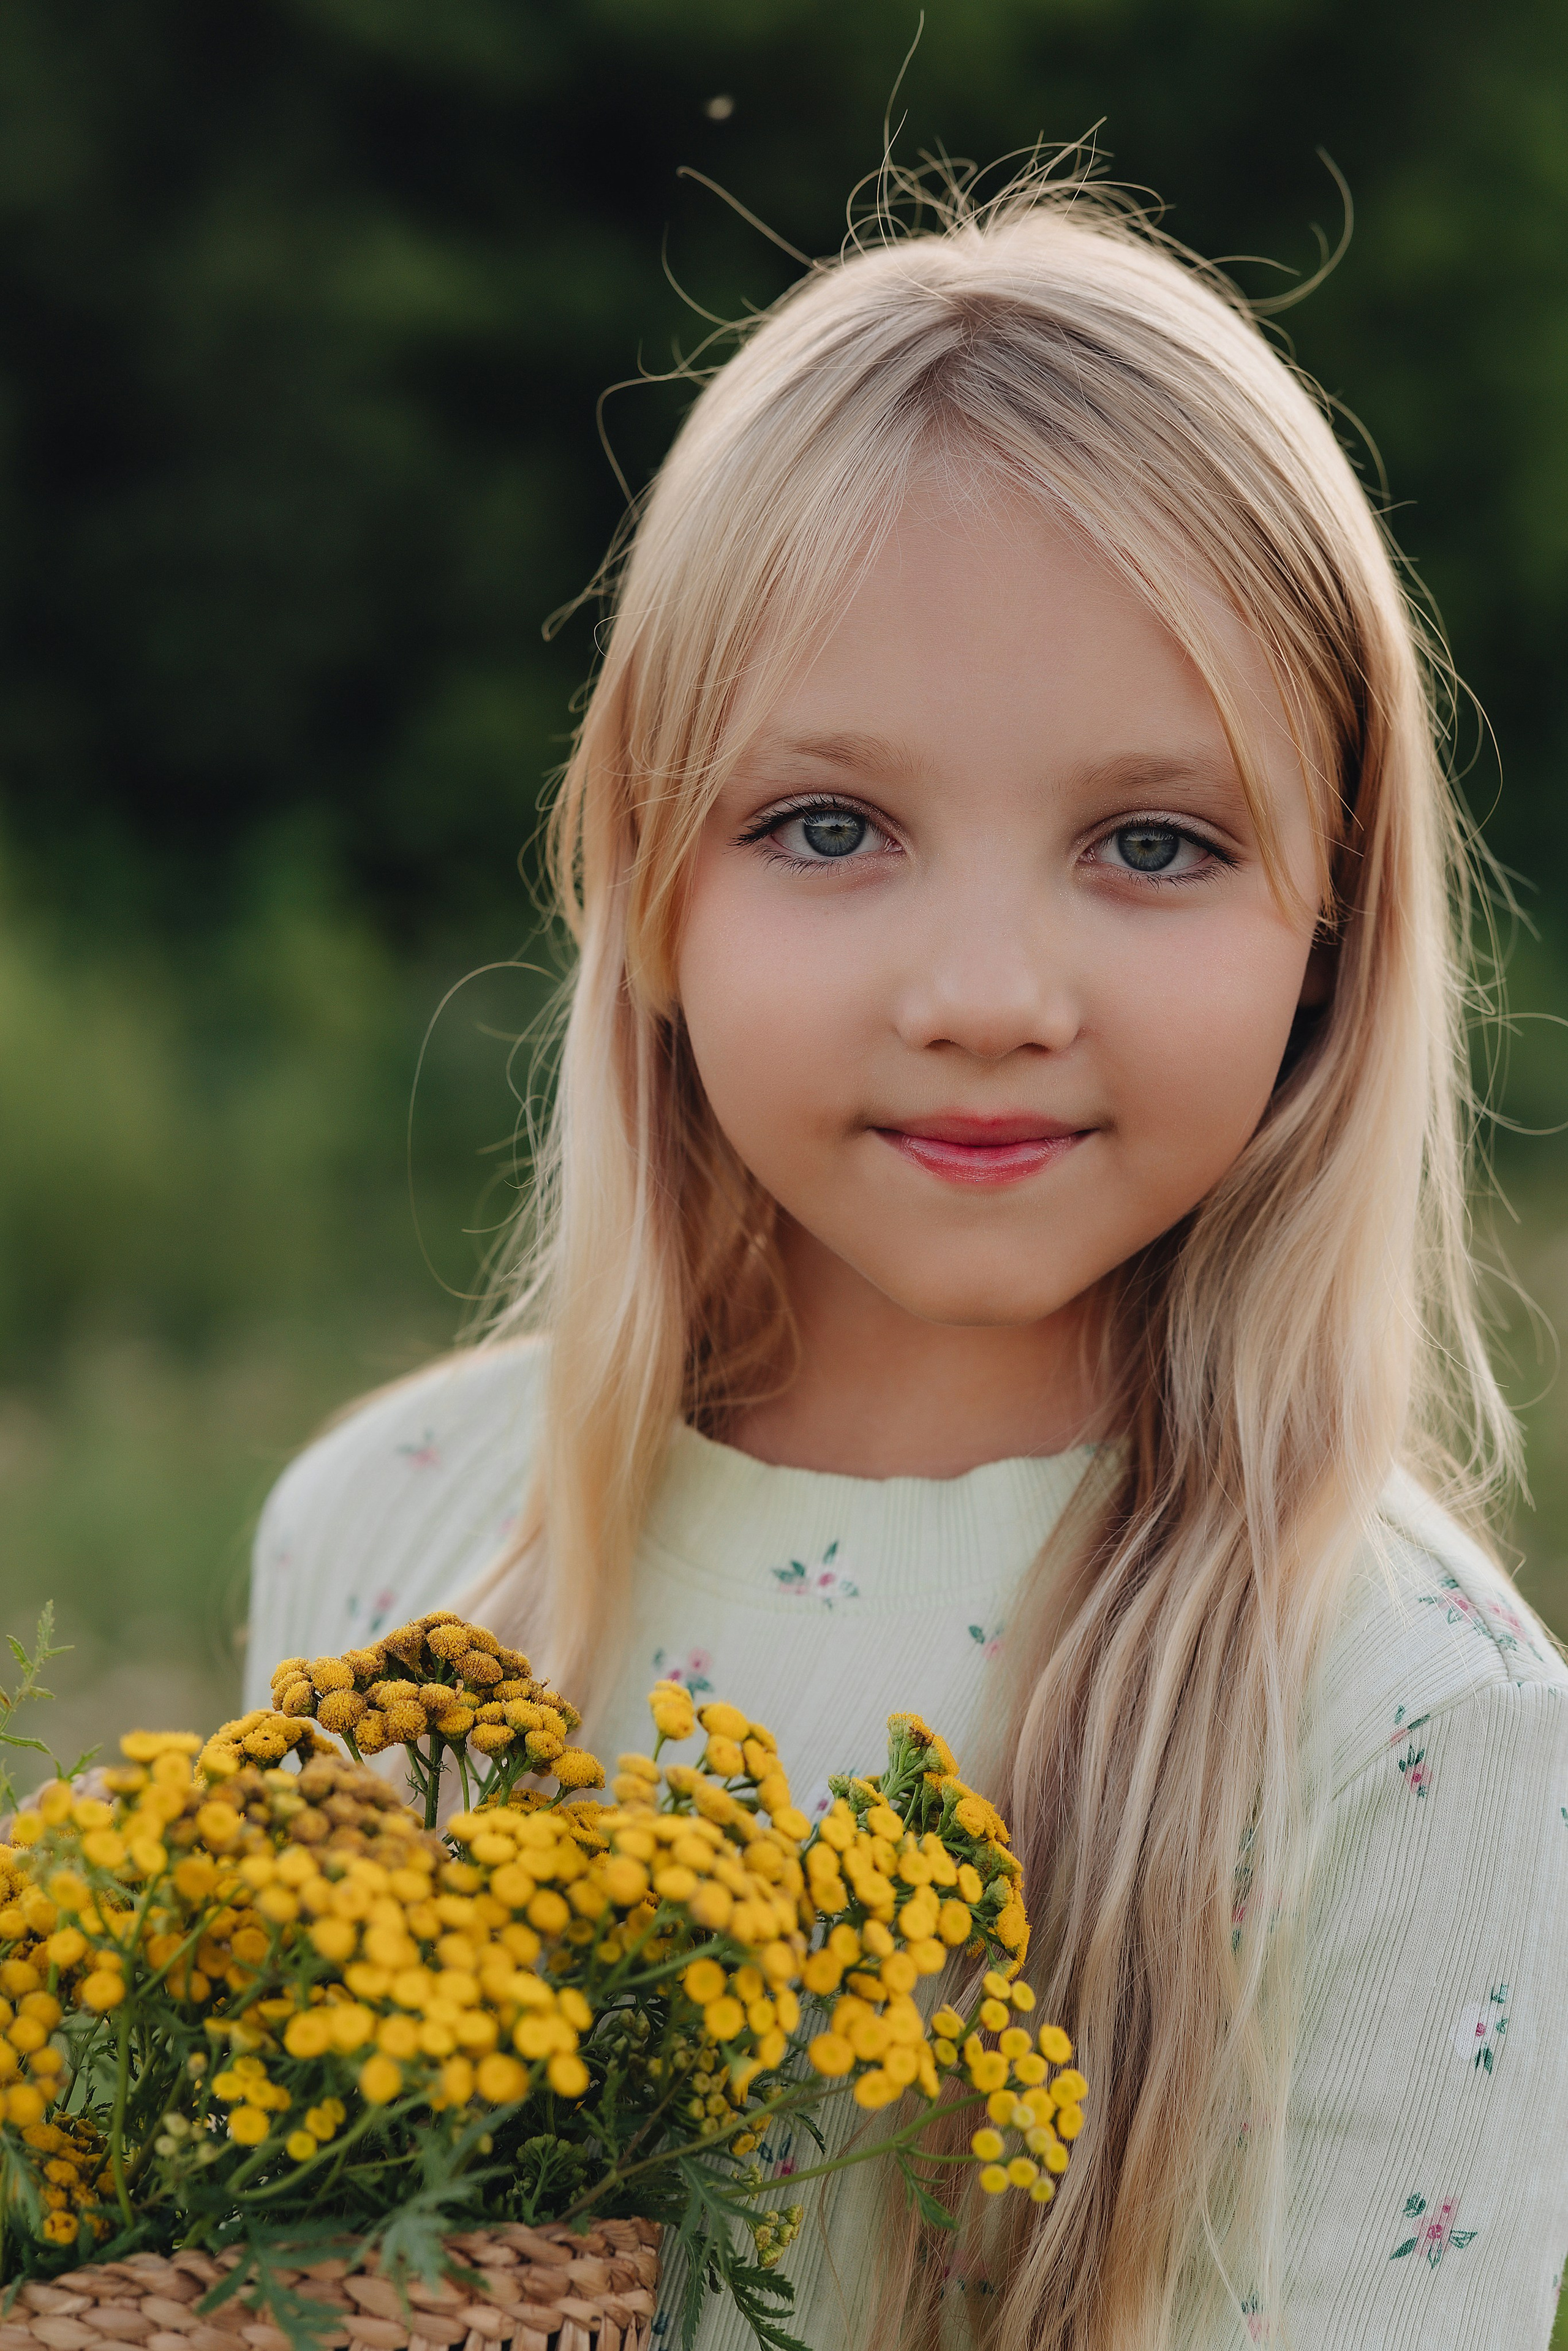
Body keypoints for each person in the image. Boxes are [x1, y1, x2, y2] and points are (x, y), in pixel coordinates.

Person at [244, 170, 1568, 2349]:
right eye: (829, 828)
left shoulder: (1409, 1720)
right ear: (650, 881)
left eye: (1153, 843)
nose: (984, 990)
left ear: (1335, 931)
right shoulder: (392, 1559)